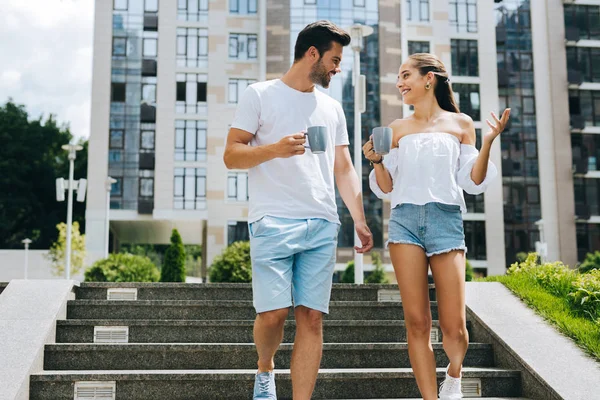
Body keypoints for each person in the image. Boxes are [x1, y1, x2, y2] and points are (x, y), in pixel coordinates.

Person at [224, 20, 374, 400]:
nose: (338, 68)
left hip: (322, 223)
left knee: (311, 317)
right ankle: (264, 368)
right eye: (335, 59)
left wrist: (358, 218)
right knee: (273, 315)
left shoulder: (331, 107)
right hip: (272, 220)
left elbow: (343, 167)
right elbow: (231, 155)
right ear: (312, 54)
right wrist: (273, 149)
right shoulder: (258, 95)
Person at [363, 53, 510, 400]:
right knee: (417, 324)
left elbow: (472, 181)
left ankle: (454, 376)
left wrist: (488, 143)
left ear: (429, 78)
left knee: (454, 328)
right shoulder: (394, 129)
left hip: (446, 220)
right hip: (405, 222)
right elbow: (386, 188)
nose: (400, 83)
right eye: (399, 78)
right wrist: (377, 161)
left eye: (405, 75)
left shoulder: (461, 124)